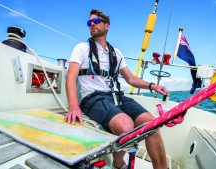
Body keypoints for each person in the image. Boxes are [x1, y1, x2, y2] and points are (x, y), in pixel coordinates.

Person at [65, 9, 168, 169]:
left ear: (107, 26)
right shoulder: (81, 48)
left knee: (152, 124)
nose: (92, 25)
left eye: (96, 21)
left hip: (116, 96)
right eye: (89, 22)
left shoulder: (116, 53)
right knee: (126, 126)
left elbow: (131, 79)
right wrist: (73, 106)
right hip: (93, 98)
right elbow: (71, 77)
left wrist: (152, 86)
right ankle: (118, 163)